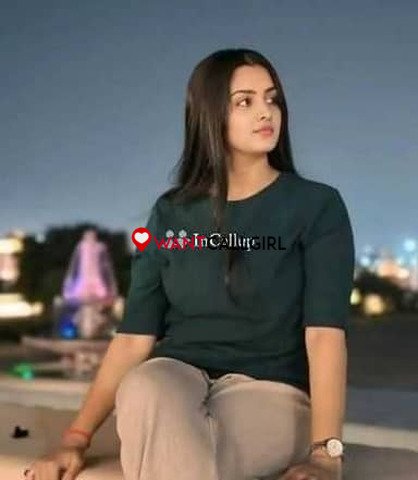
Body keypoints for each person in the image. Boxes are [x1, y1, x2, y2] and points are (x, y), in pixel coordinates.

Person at [25, 48, 355, 480]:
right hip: (176, 379)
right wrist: (75, 439)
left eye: (272, 99)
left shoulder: (316, 206)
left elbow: (325, 336)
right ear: (210, 115)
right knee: (144, 384)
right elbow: (133, 339)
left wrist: (326, 454)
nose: (266, 112)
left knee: (180, 445)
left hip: (271, 393)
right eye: (245, 101)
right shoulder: (171, 213)